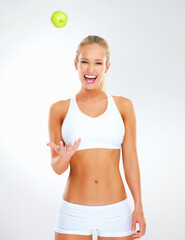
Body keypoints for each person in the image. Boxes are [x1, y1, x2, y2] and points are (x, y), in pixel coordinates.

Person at [47, 35, 146, 240]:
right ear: (76, 64)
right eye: (84, 62)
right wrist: (64, 157)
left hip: (116, 211)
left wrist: (138, 206)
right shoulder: (59, 109)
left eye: (98, 63)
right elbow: (57, 168)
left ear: (106, 67)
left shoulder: (123, 106)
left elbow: (130, 160)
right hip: (73, 212)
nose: (90, 69)